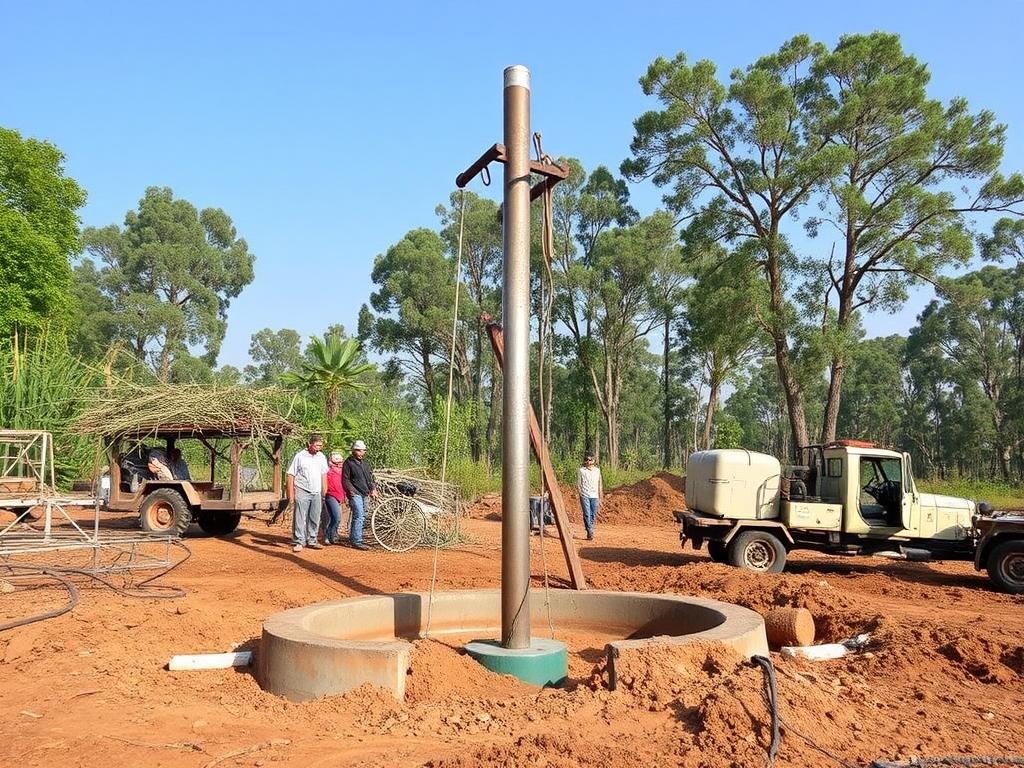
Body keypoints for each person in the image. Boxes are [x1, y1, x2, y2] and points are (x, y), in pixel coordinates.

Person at [286, 434, 328, 553]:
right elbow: (291, 474)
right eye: (316, 445)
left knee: (315, 516)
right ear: (310, 444)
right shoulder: (300, 456)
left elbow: (324, 474)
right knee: (300, 516)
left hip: (316, 491)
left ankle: (312, 540)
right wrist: (291, 494)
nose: (318, 448)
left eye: (320, 446)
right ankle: (299, 541)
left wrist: (324, 490)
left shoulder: (321, 457)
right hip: (302, 489)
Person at [342, 439, 377, 551]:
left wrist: (373, 489)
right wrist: (351, 491)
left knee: (361, 515)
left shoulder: (365, 463)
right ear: (354, 451)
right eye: (359, 451)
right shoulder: (348, 463)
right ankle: (357, 541)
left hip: (365, 493)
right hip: (355, 493)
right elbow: (345, 479)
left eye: (363, 451)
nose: (362, 453)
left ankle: (354, 538)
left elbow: (370, 478)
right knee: (359, 515)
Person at [577, 453, 602, 540]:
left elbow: (600, 483)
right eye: (587, 460)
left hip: (595, 495)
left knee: (593, 514)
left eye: (590, 460)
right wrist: (580, 493)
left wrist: (600, 495)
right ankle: (589, 531)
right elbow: (579, 484)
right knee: (587, 514)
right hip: (585, 495)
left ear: (594, 461)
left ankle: (589, 527)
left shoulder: (597, 471)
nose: (588, 461)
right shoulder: (581, 470)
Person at [322, 451, 346, 545]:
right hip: (331, 495)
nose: (339, 463)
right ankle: (328, 536)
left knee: (335, 518)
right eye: (337, 462)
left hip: (340, 496)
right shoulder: (328, 471)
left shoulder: (344, 471)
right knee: (336, 517)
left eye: (340, 461)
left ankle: (332, 536)